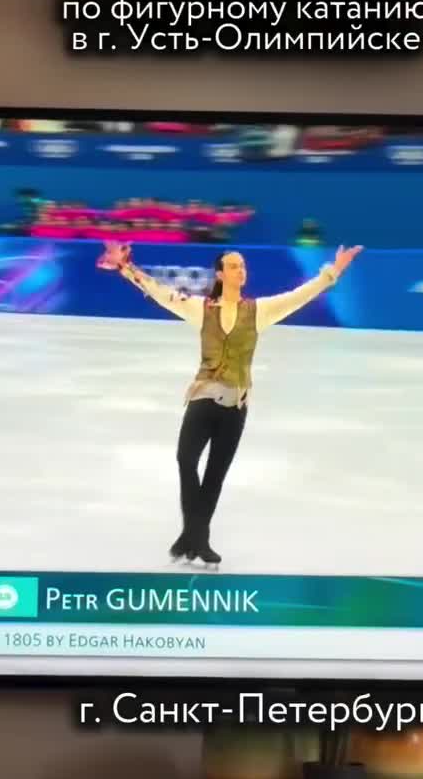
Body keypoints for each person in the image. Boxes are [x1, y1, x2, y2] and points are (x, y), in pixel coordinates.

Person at [97, 241, 363, 565]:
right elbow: (160, 292)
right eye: (234, 266)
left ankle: (195, 539)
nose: (241, 270)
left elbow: (300, 296)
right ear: (221, 274)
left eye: (243, 266)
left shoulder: (259, 311)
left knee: (214, 475)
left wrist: (333, 271)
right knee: (185, 460)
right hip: (203, 397)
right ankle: (194, 535)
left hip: (236, 406)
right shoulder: (201, 308)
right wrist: (126, 267)